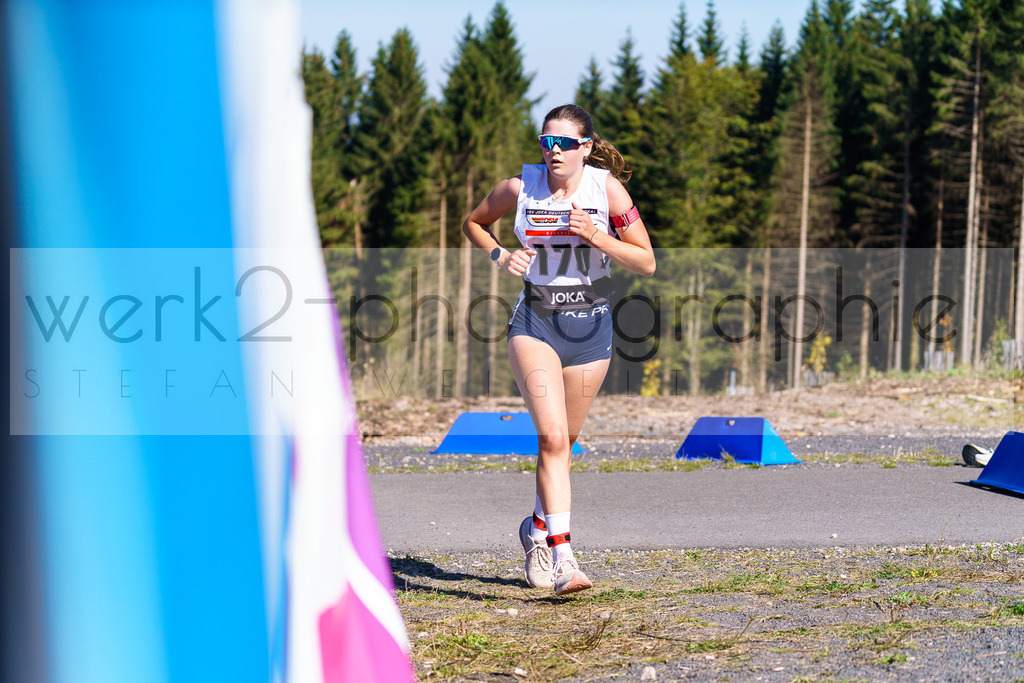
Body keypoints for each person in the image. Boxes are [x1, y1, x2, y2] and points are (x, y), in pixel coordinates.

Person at [462, 104, 656, 596]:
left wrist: (598, 237)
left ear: (585, 148)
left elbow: (647, 262)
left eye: (565, 143)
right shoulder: (518, 188)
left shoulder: (606, 190)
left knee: (564, 445)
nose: (553, 151)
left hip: (591, 331)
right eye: (546, 141)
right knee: (551, 438)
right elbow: (474, 223)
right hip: (537, 324)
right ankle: (566, 560)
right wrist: (501, 255)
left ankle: (537, 529)